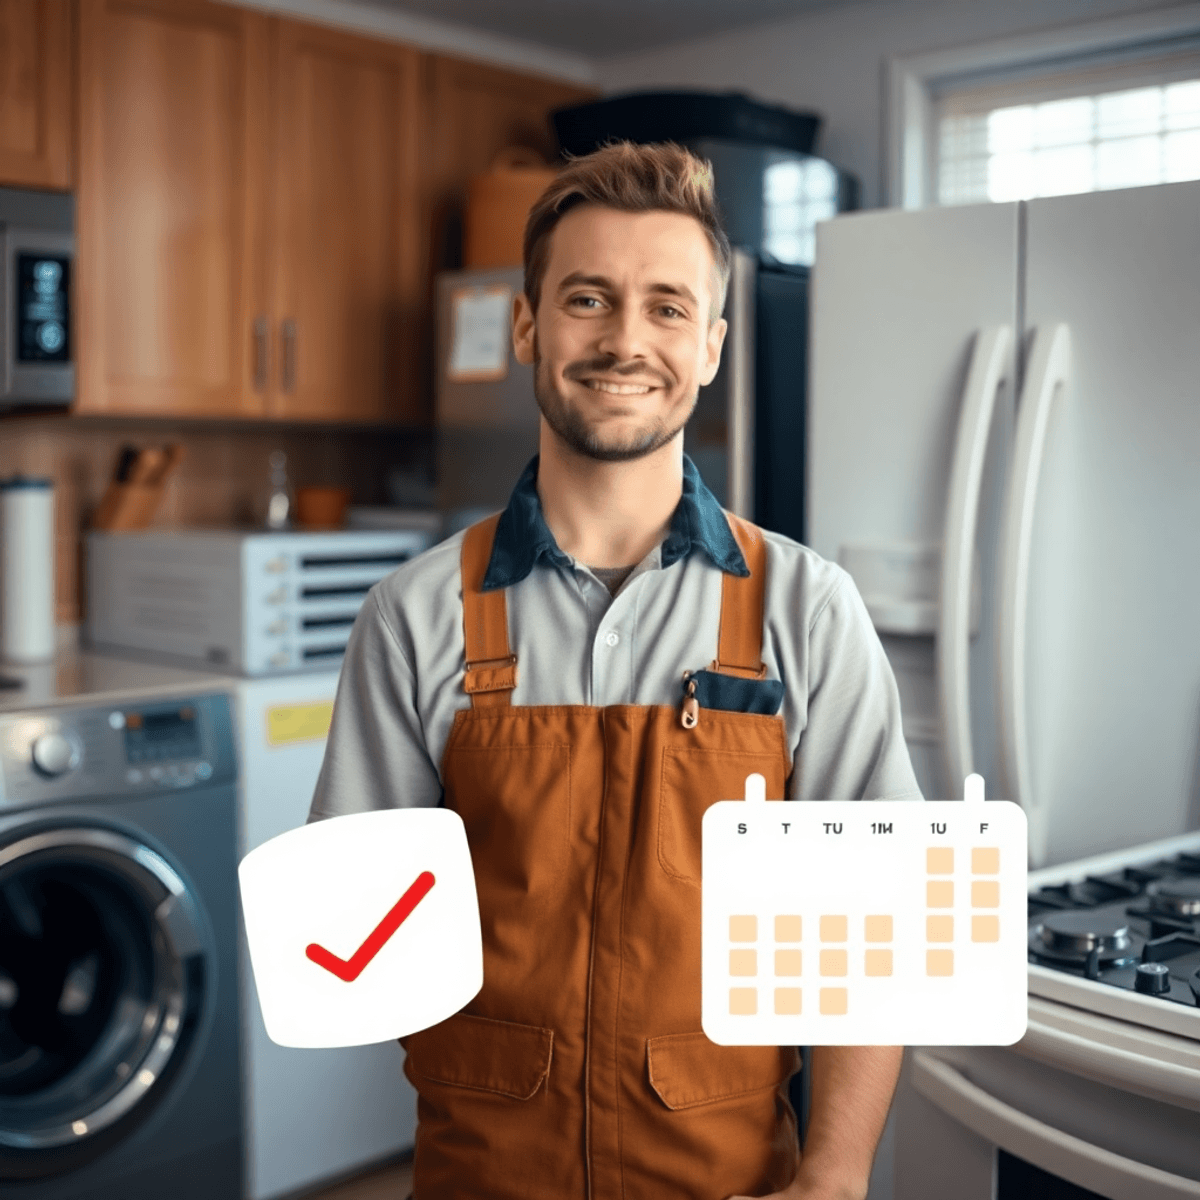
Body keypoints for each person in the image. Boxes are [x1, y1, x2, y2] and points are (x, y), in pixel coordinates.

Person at [309, 141, 922, 1200]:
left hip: (729, 1180)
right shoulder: (412, 617)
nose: (625, 340)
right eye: (587, 299)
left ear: (714, 345)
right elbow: (358, 947)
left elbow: (875, 938)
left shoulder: (806, 612)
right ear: (526, 325)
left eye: (669, 308)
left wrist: (836, 1175)